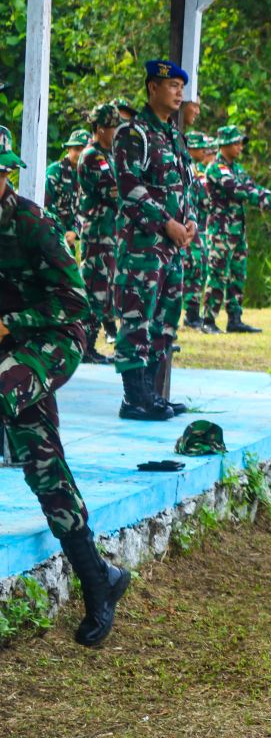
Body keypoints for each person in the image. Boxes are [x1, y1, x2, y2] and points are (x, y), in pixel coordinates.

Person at [0, 124, 131, 647]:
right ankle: (99, 578)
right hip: (10, 347)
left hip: (54, 337)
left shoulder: (34, 223)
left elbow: (79, 305)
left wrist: (12, 325)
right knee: (40, 457)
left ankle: (98, 580)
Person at [111, 59, 197, 420]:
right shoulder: (133, 134)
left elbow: (185, 186)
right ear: (152, 88)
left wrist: (188, 222)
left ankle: (151, 394)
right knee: (137, 319)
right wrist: (166, 224)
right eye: (172, 85)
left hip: (172, 249)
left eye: (181, 86)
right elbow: (129, 186)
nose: (179, 92)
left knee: (164, 321)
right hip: (143, 247)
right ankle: (134, 399)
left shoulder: (172, 136)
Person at [203, 124, 271, 334]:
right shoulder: (216, 169)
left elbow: (252, 187)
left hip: (237, 232)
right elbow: (239, 190)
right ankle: (209, 320)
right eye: (236, 143)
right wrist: (269, 197)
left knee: (238, 274)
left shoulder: (237, 169)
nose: (240, 147)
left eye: (240, 143)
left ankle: (235, 319)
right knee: (218, 274)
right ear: (224, 144)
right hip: (220, 231)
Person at [76, 104, 124, 364]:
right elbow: (114, 190)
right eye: (114, 127)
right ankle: (84, 346)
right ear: (100, 129)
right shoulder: (92, 156)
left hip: (111, 234)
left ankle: (90, 346)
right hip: (97, 235)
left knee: (106, 292)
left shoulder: (111, 155)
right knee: (94, 290)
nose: (117, 132)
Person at [181, 131, 215, 329]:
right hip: (186, 224)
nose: (204, 151)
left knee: (198, 266)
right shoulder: (189, 169)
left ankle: (192, 312)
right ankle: (190, 313)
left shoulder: (197, 171)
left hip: (197, 225)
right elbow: (203, 198)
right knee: (192, 266)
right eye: (201, 147)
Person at [44, 129, 90, 242]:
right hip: (50, 233)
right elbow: (44, 205)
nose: (80, 154)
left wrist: (75, 231)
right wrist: (59, 231)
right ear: (68, 149)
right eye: (76, 149)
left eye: (84, 150)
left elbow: (85, 208)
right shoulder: (55, 171)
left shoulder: (88, 176)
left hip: (69, 238)